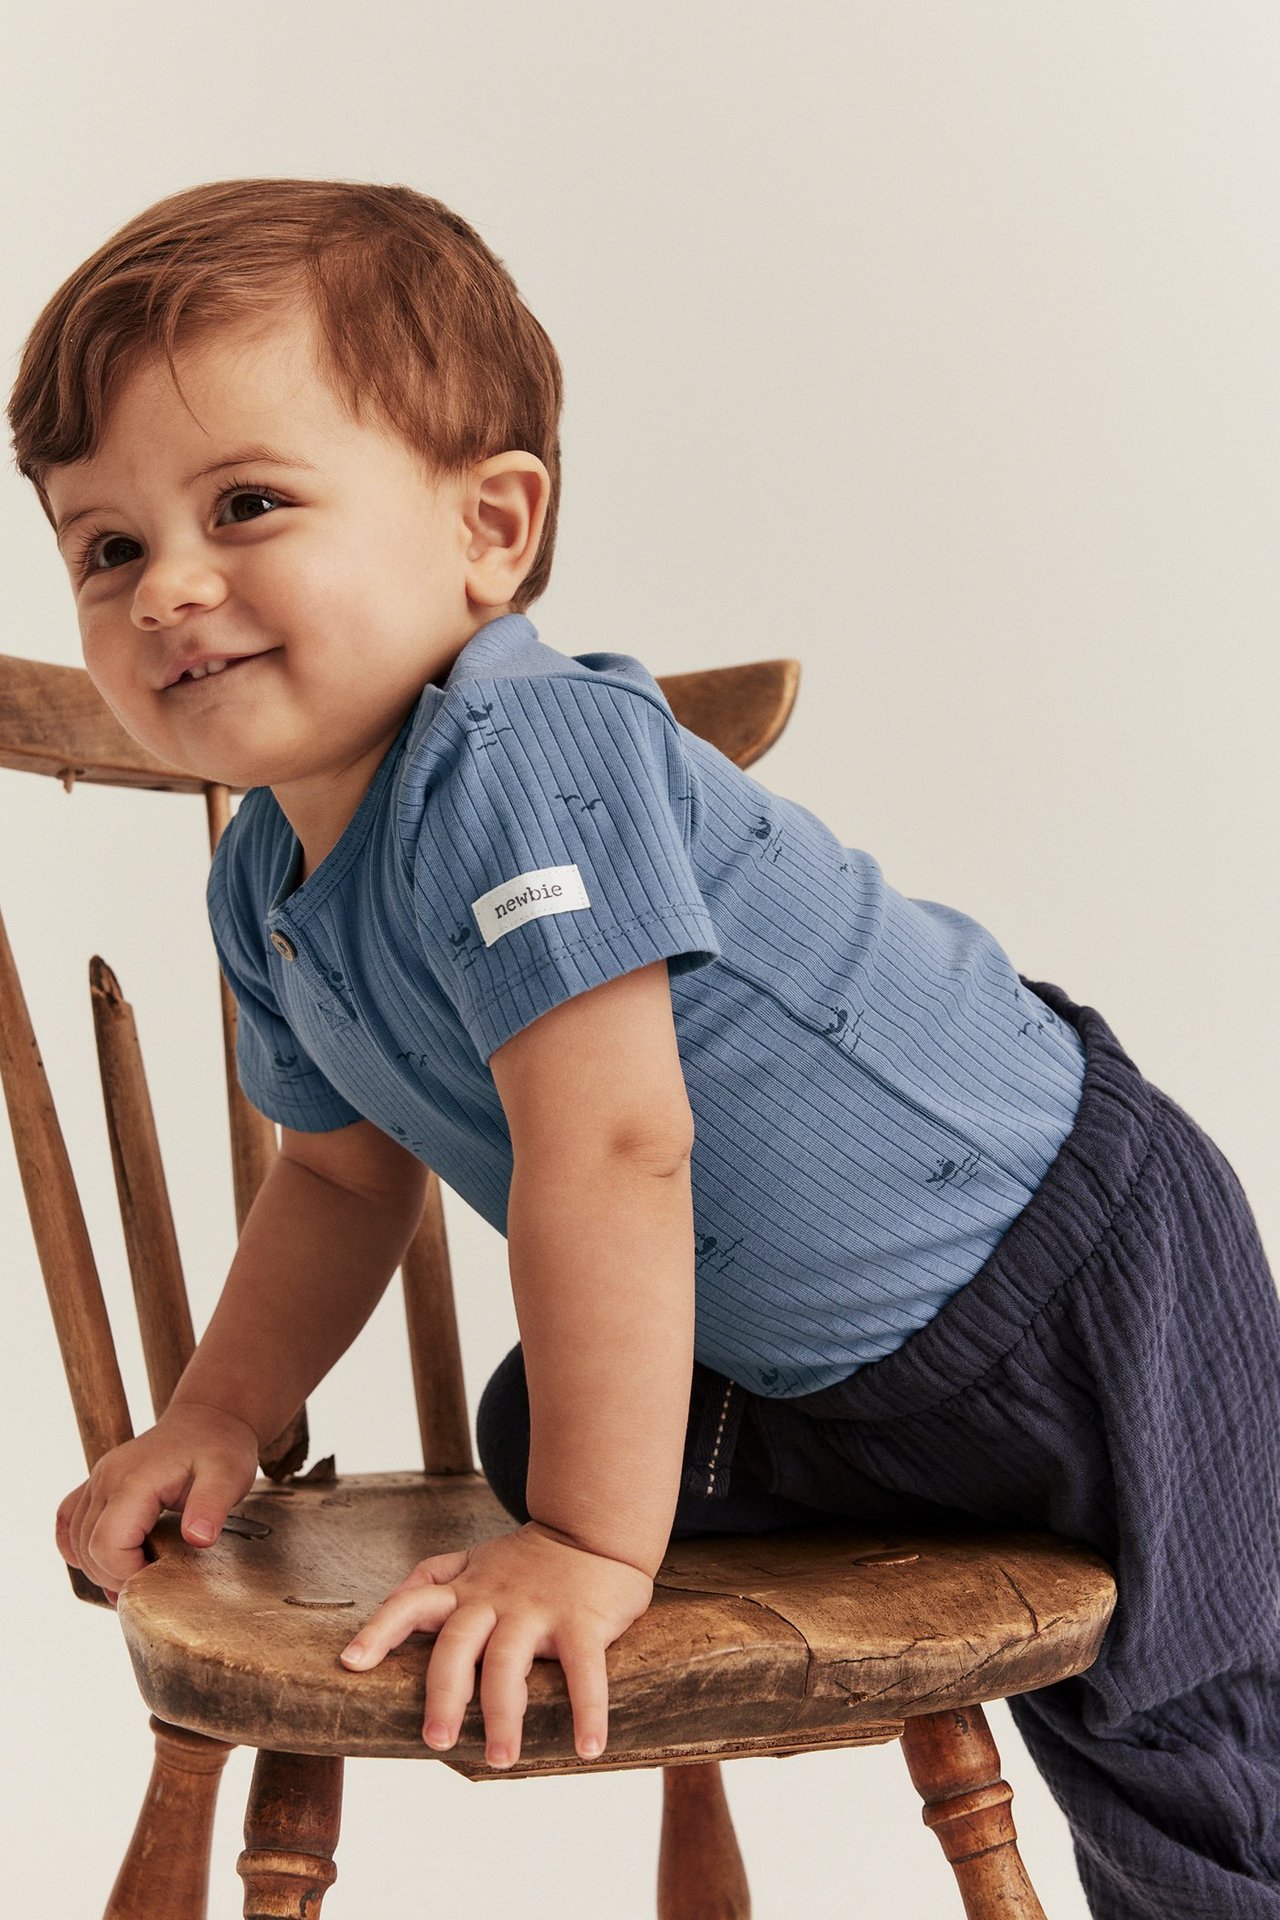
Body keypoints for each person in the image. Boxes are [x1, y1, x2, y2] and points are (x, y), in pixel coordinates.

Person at [9, 177, 1278, 1919]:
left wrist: (598, 1553)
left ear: (492, 528)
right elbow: (334, 1169)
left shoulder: (529, 754)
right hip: (809, 1394)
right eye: (107, 546)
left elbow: (613, 1149)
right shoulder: (268, 885)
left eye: (247, 503)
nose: (170, 588)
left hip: (1063, 1280)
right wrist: (224, 1411)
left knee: (1191, 1752)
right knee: (542, 1424)